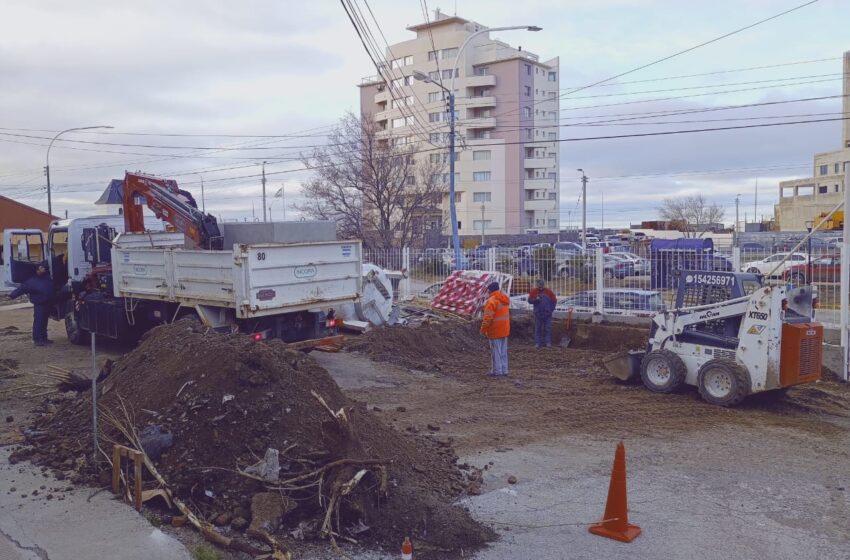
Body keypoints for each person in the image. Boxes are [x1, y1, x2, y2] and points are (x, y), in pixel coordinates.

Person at [8, 262, 55, 346]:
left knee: (44, 322)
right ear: (38, 269)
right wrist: (12, 296)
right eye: (42, 267)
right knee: (39, 322)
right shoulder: (32, 281)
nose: (44, 268)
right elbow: (21, 289)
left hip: (47, 303)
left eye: (45, 267)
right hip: (39, 304)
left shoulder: (47, 278)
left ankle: (44, 338)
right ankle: (37, 340)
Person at [480, 281, 510, 377]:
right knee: (503, 351)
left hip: (495, 330)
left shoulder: (491, 301)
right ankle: (504, 370)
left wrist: (483, 330)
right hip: (504, 329)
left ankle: (497, 371)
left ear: (490, 290)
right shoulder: (504, 299)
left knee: (496, 352)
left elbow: (488, 318)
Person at [528, 279, 557, 348]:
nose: (540, 286)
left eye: (541, 284)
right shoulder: (534, 291)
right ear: (537, 285)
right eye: (539, 285)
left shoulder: (549, 292)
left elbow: (554, 301)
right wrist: (535, 300)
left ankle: (547, 342)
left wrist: (551, 310)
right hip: (538, 314)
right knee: (538, 329)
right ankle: (537, 343)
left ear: (543, 284)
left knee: (547, 329)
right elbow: (529, 301)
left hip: (547, 314)